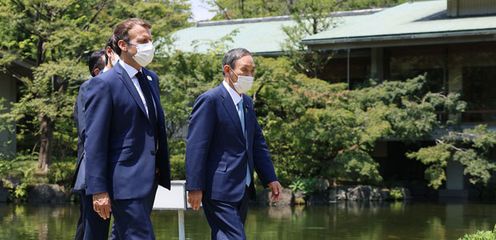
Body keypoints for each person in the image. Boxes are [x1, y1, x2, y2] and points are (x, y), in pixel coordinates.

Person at [83, 18, 170, 240]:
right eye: (142, 40)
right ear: (123, 45)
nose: (149, 45)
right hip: (122, 180)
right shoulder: (104, 83)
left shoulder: (151, 79)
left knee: (122, 236)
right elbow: (94, 140)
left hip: (149, 178)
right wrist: (98, 190)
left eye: (150, 40)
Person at [185, 48, 283, 240]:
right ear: (228, 70)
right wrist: (194, 186)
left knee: (224, 237)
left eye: (252, 71)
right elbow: (197, 146)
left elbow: (256, 143)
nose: (249, 75)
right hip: (218, 188)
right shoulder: (210, 100)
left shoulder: (246, 102)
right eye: (244, 70)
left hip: (243, 186)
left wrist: (270, 178)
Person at [72, 49, 110, 240]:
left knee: (90, 225)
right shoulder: (88, 87)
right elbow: (86, 130)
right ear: (96, 71)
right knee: (90, 224)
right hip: (92, 168)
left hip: (110, 169)